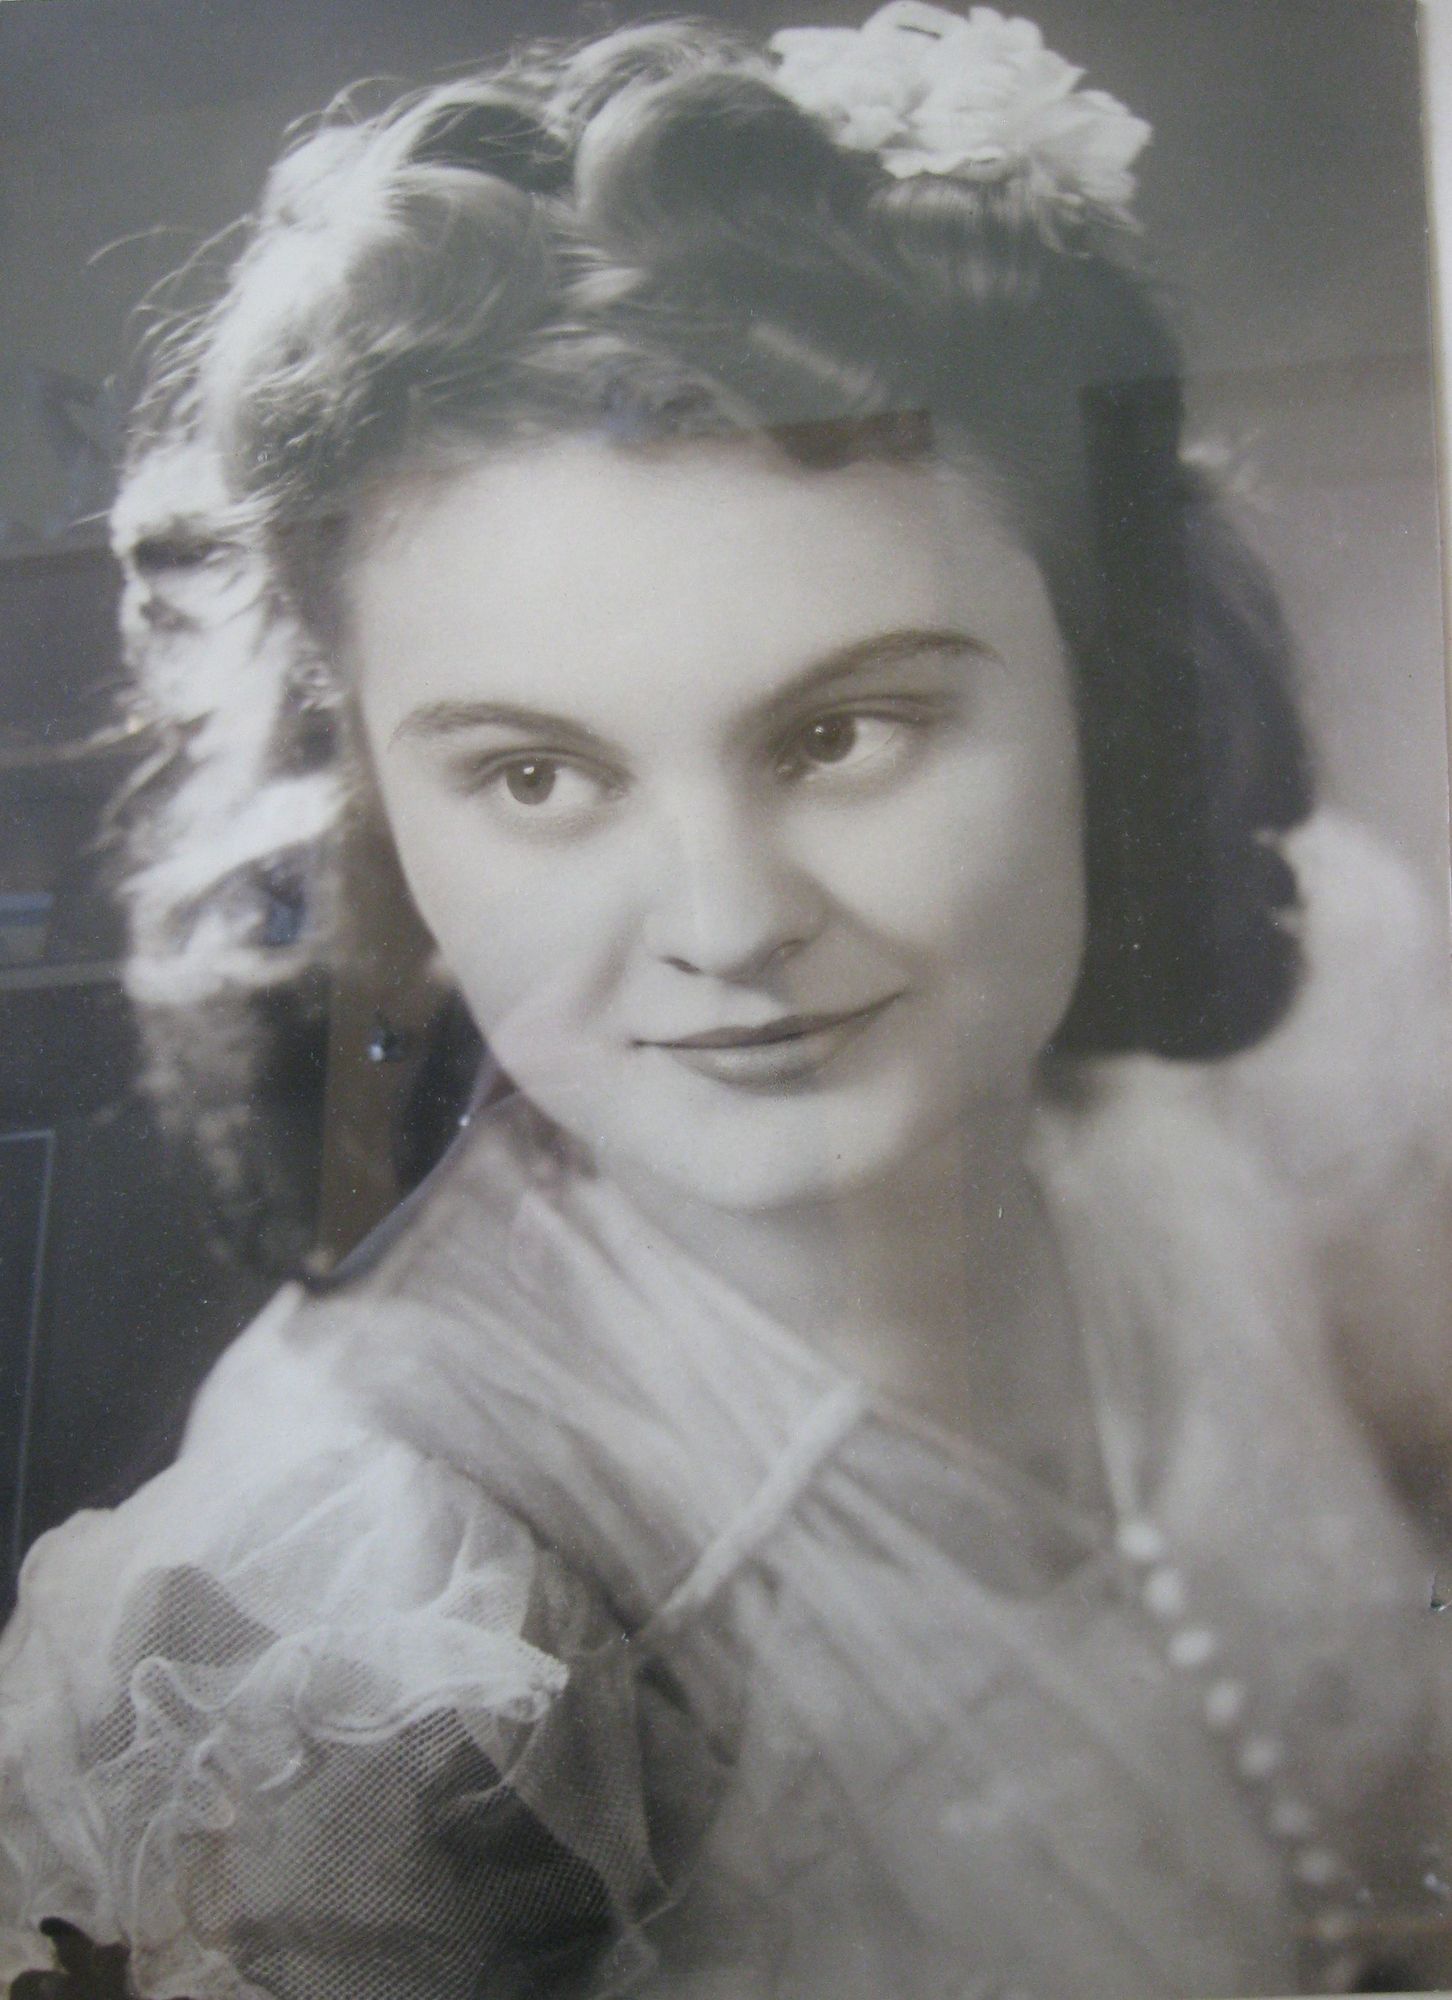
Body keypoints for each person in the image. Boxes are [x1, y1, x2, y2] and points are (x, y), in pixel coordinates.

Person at [2, 6, 1450, 1995]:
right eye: (534, 774)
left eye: (845, 730)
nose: (727, 922)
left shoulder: (1284, 1083)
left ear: (1105, 690)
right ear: (376, 825)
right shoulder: (391, 1600)